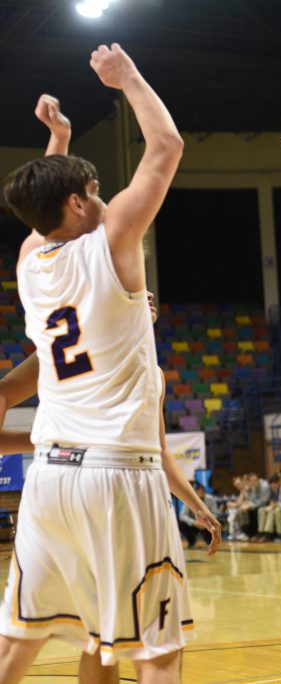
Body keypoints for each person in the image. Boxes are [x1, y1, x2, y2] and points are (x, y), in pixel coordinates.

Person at [0, 45, 219, 683]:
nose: (102, 198)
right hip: (119, 477)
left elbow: (43, 209)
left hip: (50, 482)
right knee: (158, 648)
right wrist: (129, 81)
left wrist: (59, 139)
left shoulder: (29, 263)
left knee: (38, 641)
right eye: (92, 190)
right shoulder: (112, 241)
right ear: (75, 205)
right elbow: (167, 146)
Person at [179, 483, 221, 548]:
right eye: (198, 491)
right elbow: (182, 515)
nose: (201, 492)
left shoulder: (210, 499)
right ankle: (191, 541)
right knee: (182, 524)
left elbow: (216, 514)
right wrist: (194, 522)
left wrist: (207, 522)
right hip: (195, 524)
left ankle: (210, 541)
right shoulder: (189, 499)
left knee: (217, 522)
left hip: (207, 525)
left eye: (202, 490)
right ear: (195, 492)